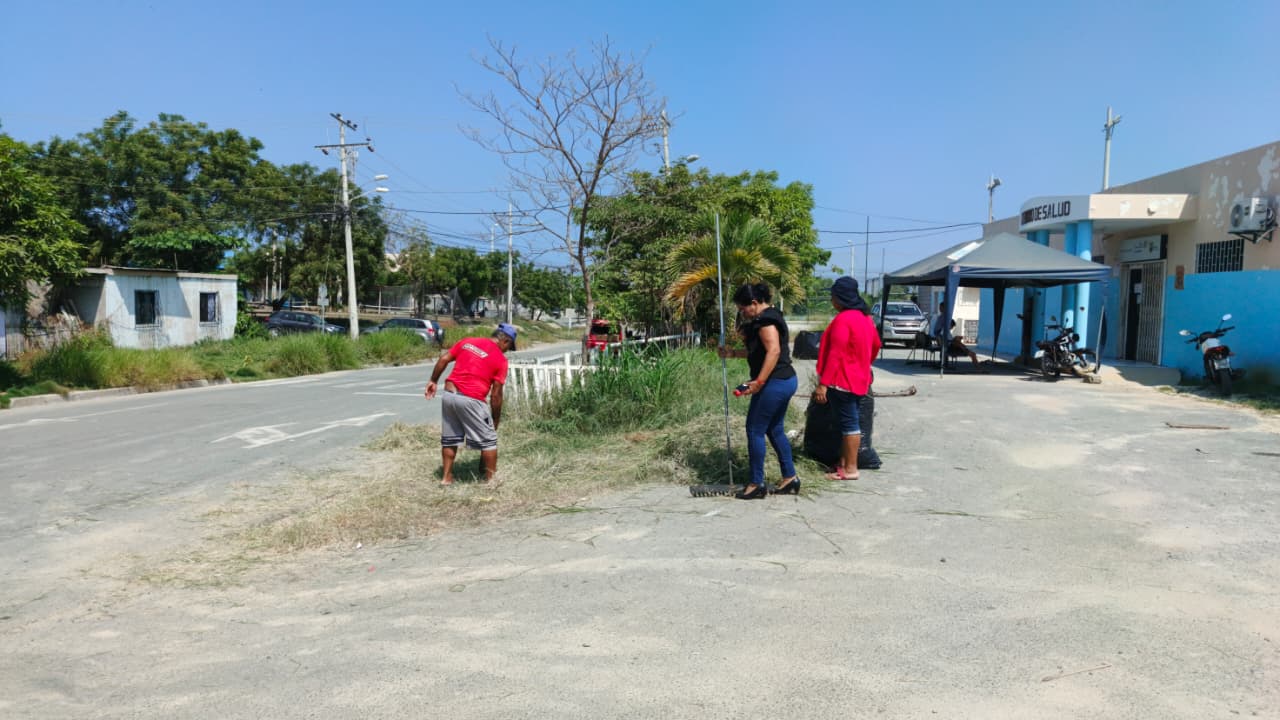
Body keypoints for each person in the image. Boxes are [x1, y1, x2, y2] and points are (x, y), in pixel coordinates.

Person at [719, 282, 800, 500]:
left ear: (754, 303)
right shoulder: (769, 316)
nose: (742, 313)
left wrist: (759, 382)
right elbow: (759, 352)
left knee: (754, 429)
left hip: (775, 383)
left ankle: (756, 484)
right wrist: (732, 354)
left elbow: (773, 351)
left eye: (742, 308)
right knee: (774, 429)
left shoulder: (766, 322)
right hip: (785, 380)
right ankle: (790, 478)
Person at [424, 323, 517, 485]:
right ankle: (491, 481)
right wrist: (495, 419)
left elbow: (444, 359)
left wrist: (433, 380)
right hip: (472, 399)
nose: (507, 351)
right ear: (506, 341)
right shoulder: (501, 360)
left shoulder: (468, 342)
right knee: (489, 441)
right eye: (509, 348)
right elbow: (496, 395)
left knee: (450, 439)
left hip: (449, 395)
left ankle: (446, 478)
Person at [814, 276, 881, 481]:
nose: (831, 300)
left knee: (850, 424)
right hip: (859, 378)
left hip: (842, 380)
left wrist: (823, 384)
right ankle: (843, 464)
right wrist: (863, 363)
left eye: (833, 296)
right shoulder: (865, 318)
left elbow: (836, 354)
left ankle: (851, 469)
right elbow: (876, 345)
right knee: (847, 423)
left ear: (840, 297)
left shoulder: (843, 319)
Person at [931, 302, 980, 367]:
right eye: (952, 326)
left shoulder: (942, 323)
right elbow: (951, 341)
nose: (951, 328)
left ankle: (974, 361)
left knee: (961, 344)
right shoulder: (944, 324)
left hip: (949, 344)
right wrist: (957, 340)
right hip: (951, 347)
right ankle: (977, 366)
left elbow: (949, 339)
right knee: (972, 354)